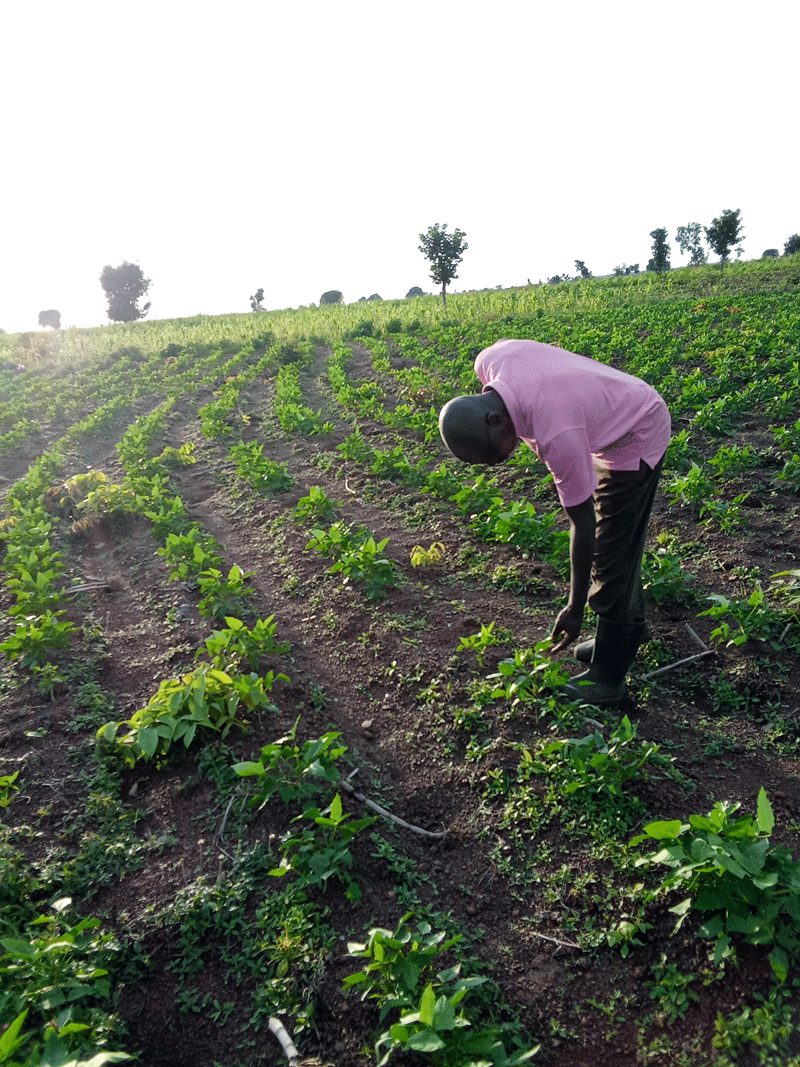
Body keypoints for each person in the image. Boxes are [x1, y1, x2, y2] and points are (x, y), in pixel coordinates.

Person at [438, 338, 671, 705]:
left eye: (494, 457)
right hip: (615, 403)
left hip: (636, 430)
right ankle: (627, 631)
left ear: (495, 419)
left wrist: (574, 608)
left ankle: (609, 677)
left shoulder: (557, 434)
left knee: (610, 553)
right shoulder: (490, 360)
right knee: (619, 541)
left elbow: (583, 526)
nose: (499, 462)